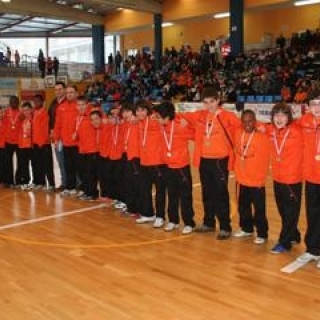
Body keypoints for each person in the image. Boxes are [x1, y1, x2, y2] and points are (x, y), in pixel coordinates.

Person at [181, 85, 240, 239]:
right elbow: (180, 116)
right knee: (207, 193)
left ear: (218, 101)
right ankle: (208, 222)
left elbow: (242, 130)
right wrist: (180, 121)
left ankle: (225, 226)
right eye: (205, 102)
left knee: (220, 193)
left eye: (212, 102)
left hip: (220, 161)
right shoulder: (200, 115)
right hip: (204, 160)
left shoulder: (228, 117)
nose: (209, 106)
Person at [153, 101, 196, 234]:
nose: (157, 119)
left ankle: (189, 222)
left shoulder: (180, 127)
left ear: (166, 117)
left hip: (181, 167)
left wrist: (188, 124)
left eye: (159, 117)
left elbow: (196, 134)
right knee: (172, 194)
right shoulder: (161, 126)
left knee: (185, 196)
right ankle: (173, 220)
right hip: (167, 166)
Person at [267, 103, 303, 253]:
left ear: (289, 117)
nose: (279, 118)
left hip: (292, 179)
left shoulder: (298, 132)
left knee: (290, 212)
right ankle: (294, 234)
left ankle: (285, 242)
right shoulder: (270, 131)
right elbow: (252, 124)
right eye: (276, 115)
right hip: (277, 178)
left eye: (283, 115)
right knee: (283, 211)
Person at [233, 109, 270, 244]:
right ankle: (247, 228)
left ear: (255, 121)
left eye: (250, 121)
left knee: (259, 209)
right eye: (244, 121)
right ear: (241, 122)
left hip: (257, 180)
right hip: (241, 179)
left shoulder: (263, 136)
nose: (247, 123)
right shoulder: (237, 133)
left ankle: (262, 233)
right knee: (243, 206)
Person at [296, 97, 320, 267]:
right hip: (311, 177)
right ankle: (312, 249)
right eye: (313, 104)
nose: (316, 107)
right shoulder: (303, 122)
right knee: (312, 214)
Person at [135, 100, 167, 227]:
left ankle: (160, 216)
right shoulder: (138, 123)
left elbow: (166, 120)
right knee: (145, 190)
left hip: (157, 163)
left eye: (142, 110)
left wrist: (157, 115)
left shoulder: (155, 120)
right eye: (137, 110)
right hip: (143, 162)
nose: (140, 112)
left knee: (160, 191)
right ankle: (148, 214)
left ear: (148, 111)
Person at [54, 85, 79, 196]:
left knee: (80, 167)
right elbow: (57, 125)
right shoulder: (61, 108)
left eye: (72, 92)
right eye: (68, 92)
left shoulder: (80, 106)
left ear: (76, 94)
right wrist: (56, 139)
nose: (69, 94)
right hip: (66, 143)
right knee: (68, 166)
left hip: (78, 143)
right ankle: (70, 188)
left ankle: (83, 188)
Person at [31, 94, 55, 191]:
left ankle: (52, 185)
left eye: (38, 101)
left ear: (42, 102)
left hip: (44, 144)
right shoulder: (34, 112)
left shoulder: (44, 113)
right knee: (38, 165)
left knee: (47, 166)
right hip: (36, 144)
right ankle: (41, 183)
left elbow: (45, 129)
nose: (36, 103)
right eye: (35, 101)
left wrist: (42, 142)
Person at [48, 81, 67, 190]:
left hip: (68, 138)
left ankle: (74, 183)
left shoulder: (69, 102)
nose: (58, 91)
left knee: (70, 161)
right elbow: (50, 120)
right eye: (56, 90)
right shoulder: (53, 103)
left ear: (64, 90)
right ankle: (64, 182)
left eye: (60, 89)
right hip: (57, 138)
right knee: (61, 160)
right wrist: (52, 132)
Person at [2, 95, 21, 187]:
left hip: (18, 142)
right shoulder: (5, 113)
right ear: (9, 103)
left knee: (20, 162)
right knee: (7, 162)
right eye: (11, 102)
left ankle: (18, 181)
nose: (13, 103)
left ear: (18, 103)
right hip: (8, 141)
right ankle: (9, 181)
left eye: (15, 102)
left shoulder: (21, 113)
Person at [16, 102, 33, 189]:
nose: (25, 112)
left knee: (28, 164)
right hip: (21, 145)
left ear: (31, 110)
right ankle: (20, 181)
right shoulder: (20, 119)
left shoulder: (33, 119)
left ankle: (27, 181)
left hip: (30, 145)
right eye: (24, 110)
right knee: (21, 164)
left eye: (27, 110)